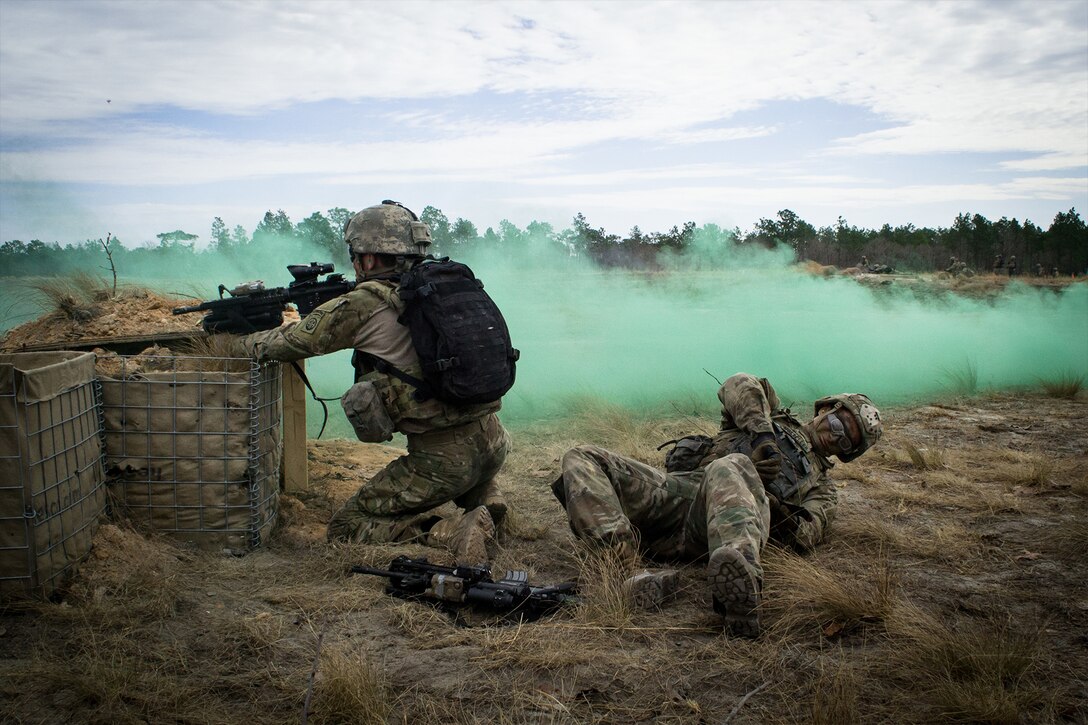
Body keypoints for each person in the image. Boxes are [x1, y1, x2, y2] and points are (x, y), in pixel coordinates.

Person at [235, 201, 510, 562]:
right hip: (493, 441)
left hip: (442, 461)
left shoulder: (366, 302)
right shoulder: (443, 286)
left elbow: (293, 341)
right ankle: (485, 497)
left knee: (346, 528)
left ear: (365, 258)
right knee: (463, 473)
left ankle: (450, 533)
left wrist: (238, 344)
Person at [551, 373, 882, 638]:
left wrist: (761, 494)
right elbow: (738, 383)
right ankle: (628, 572)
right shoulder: (768, 415)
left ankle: (739, 597)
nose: (834, 436)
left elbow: (806, 534)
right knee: (582, 456)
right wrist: (764, 438)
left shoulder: (823, 488)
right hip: (679, 493)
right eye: (838, 424)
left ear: (847, 453)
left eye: (845, 441)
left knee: (732, 465)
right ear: (826, 409)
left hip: (715, 530)